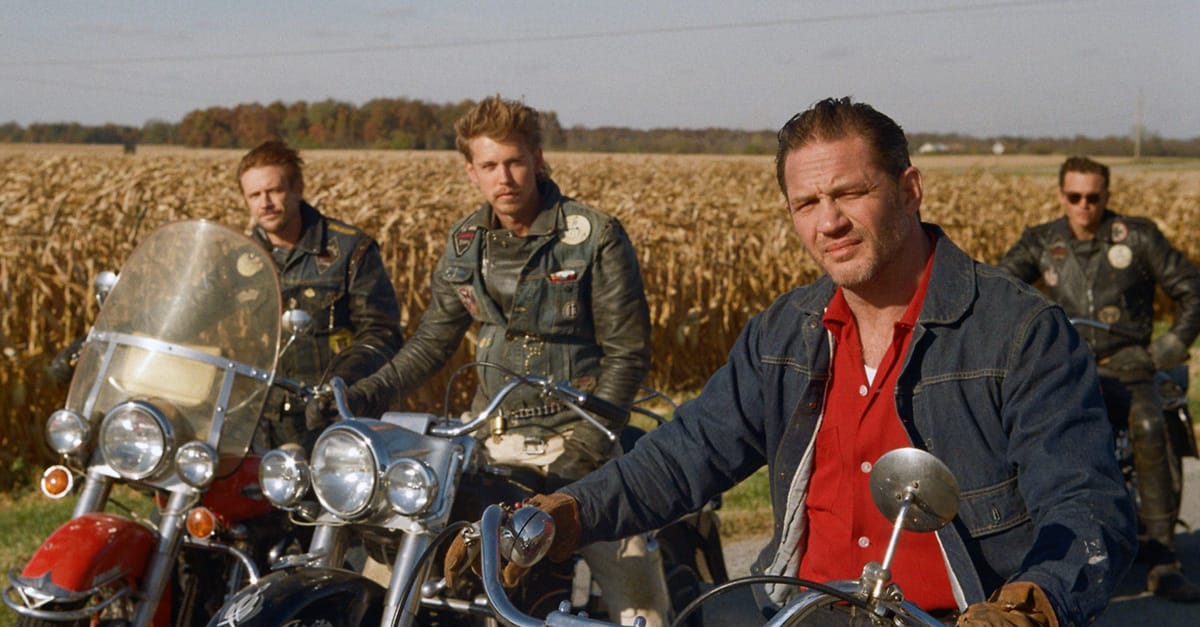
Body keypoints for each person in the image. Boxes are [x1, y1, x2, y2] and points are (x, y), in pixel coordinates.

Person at [472, 98, 1138, 627]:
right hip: (802, 614)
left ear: (909, 189)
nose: (830, 222)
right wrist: (564, 513)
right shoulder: (783, 333)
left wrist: (1027, 605)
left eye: (849, 193)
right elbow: (683, 455)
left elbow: (1084, 505)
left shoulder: (1018, 332)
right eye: (807, 203)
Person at [319, 96, 671, 626]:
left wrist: (587, 449)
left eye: (514, 161)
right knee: (395, 566)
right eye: (489, 165)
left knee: (638, 596)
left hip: (581, 441)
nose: (503, 177)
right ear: (471, 171)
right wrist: (370, 390)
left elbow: (627, 353)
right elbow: (433, 342)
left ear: (538, 159)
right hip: (488, 439)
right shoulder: (465, 245)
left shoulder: (593, 236)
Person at [998, 155, 1200, 602]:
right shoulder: (1041, 240)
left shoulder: (1139, 236)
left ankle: (1163, 558)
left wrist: (1164, 350)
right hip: (1064, 363)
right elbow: (1000, 289)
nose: (1084, 205)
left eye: (1093, 197)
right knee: (1015, 429)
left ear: (1107, 196)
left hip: (1127, 363)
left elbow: (1192, 289)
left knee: (1148, 427)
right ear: (1062, 196)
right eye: (1075, 197)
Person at [237, 140, 403, 452]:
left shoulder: (350, 250)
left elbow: (382, 334)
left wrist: (338, 386)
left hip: (332, 421)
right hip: (256, 423)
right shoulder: (237, 259)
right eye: (255, 195)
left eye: (274, 191)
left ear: (298, 188)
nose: (265, 203)